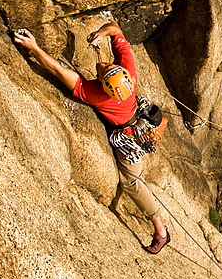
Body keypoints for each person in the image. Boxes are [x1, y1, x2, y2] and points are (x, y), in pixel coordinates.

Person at [13, 22, 170, 254]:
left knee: (132, 182)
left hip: (129, 135)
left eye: (104, 70)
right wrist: (102, 34)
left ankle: (161, 230)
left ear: (104, 87)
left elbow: (57, 71)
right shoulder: (128, 73)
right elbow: (116, 28)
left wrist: (34, 48)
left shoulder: (97, 95)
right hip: (139, 118)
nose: (103, 64)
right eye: (109, 66)